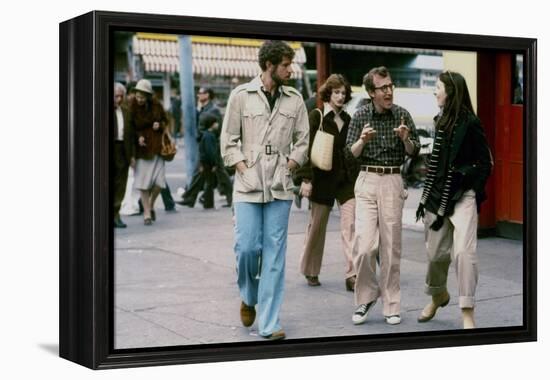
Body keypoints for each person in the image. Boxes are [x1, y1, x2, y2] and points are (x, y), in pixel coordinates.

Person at [220, 40, 309, 340]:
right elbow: (228, 141)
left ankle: (269, 324)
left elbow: (303, 140)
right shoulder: (241, 96)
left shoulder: (295, 99)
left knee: (275, 256)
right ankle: (248, 296)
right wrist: (243, 169)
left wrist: (292, 165)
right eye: (285, 65)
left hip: (281, 186)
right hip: (247, 185)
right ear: (269, 65)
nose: (290, 70)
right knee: (247, 248)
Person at [415, 71, 492, 329]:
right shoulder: (440, 120)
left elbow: (485, 163)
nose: (435, 92)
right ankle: (438, 295)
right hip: (437, 197)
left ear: (451, 92)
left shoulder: (471, 123)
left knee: (463, 253)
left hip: (463, 195)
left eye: (437, 88)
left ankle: (467, 310)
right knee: (436, 254)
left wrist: (471, 186)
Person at [346, 66, 420, 326]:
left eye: (390, 86)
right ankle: (366, 298)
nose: (389, 92)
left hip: (391, 179)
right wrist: (362, 141)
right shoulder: (360, 116)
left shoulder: (402, 115)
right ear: (371, 92)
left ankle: (392, 304)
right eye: (383, 88)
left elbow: (414, 151)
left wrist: (405, 139)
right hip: (366, 179)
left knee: (391, 247)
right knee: (365, 246)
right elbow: (349, 154)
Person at [293, 74, 358, 291]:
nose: (340, 96)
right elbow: (304, 147)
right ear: (327, 94)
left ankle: (353, 274)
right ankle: (311, 270)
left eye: (343, 93)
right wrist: (305, 179)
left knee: (350, 225)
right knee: (317, 226)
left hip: (345, 180)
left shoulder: (349, 120)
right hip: (321, 179)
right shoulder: (317, 116)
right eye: (336, 92)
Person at [129, 79, 170, 225]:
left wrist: (160, 124)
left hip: (157, 149)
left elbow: (166, 121)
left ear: (148, 95)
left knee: (160, 183)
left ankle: (151, 205)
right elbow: (129, 129)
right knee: (143, 183)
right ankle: (147, 213)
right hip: (141, 151)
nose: (139, 99)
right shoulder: (131, 106)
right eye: (137, 96)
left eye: (142, 96)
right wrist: (138, 137)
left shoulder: (156, 105)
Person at [113, 82, 134, 228]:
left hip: (123, 150)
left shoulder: (126, 111)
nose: (119, 99)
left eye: (121, 96)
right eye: (116, 96)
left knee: (121, 184)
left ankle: (116, 214)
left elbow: (131, 135)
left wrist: (132, 155)